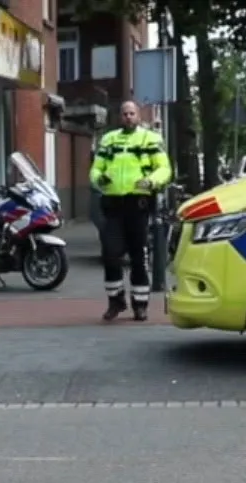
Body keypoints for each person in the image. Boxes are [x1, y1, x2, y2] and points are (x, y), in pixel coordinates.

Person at [90, 101, 171, 322]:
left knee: (138, 256)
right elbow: (96, 169)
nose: (128, 117)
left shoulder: (150, 139)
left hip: (138, 205)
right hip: (114, 204)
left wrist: (151, 181)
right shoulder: (109, 139)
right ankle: (116, 301)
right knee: (110, 254)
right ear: (120, 116)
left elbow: (164, 168)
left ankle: (140, 305)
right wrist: (99, 178)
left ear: (138, 116)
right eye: (124, 113)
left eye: (132, 113)